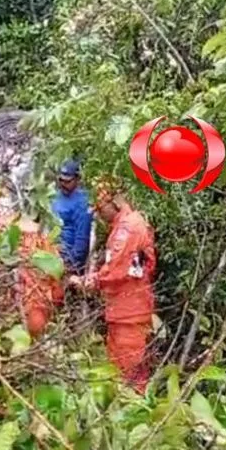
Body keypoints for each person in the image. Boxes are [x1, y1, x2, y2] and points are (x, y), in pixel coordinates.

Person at [68, 180, 156, 394]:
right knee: (120, 372)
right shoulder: (129, 225)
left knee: (129, 376)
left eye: (100, 209)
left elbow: (116, 270)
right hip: (124, 311)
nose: (98, 215)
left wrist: (87, 282)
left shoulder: (127, 229)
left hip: (129, 313)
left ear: (112, 202)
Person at [51, 160, 93, 275]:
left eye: (67, 181)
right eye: (61, 180)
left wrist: (71, 265)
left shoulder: (82, 202)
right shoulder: (55, 196)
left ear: (77, 180)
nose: (63, 184)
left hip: (68, 258)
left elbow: (82, 237)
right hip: (51, 252)